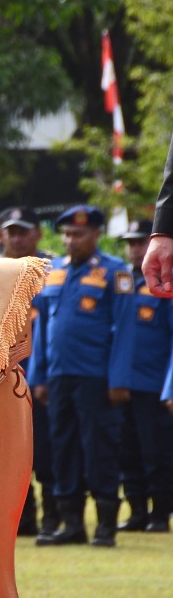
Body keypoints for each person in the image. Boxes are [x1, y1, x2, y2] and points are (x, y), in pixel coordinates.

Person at [30, 205, 131, 547]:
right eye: (67, 234)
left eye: (79, 234)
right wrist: (38, 375)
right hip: (59, 375)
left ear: (96, 234)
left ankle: (105, 525)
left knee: (99, 447)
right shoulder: (53, 271)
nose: (71, 240)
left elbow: (125, 330)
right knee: (63, 447)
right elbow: (43, 327)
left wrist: (118, 380)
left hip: (96, 377)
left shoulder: (115, 273)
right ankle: (71, 523)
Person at [0, 205, 58, 536]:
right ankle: (22, 518)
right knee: (9, 451)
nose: (16, 238)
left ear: (37, 234)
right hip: (3, 377)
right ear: (1, 235)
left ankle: (52, 515)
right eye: (11, 232)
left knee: (45, 448)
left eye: (23, 231)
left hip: (40, 373)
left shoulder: (55, 271)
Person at [110, 219, 172, 533]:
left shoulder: (165, 283)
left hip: (154, 384)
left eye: (141, 242)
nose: (135, 249)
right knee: (127, 451)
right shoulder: (119, 282)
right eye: (131, 243)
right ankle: (136, 512)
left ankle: (160, 514)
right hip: (122, 383)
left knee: (157, 452)